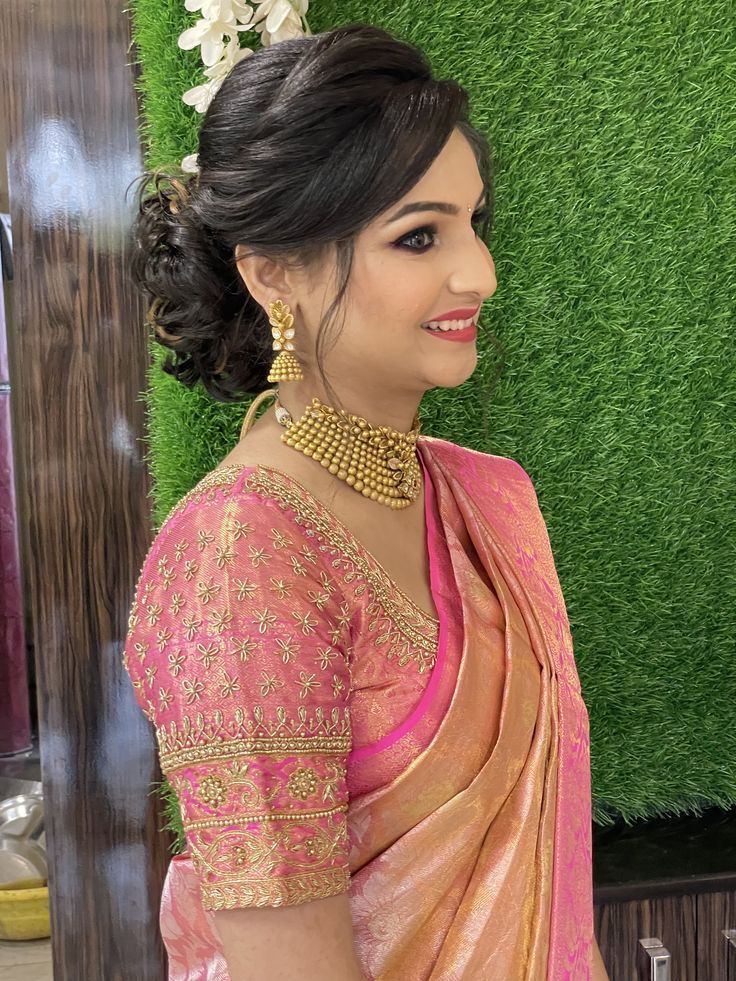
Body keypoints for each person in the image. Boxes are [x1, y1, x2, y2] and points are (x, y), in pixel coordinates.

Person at [124, 22, 609, 981]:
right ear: (272, 274)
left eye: (477, 223)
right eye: (419, 235)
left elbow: (552, 907)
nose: (480, 274)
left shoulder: (489, 497)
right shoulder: (241, 555)